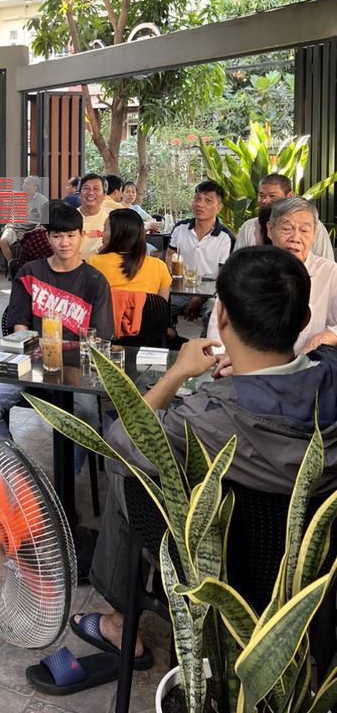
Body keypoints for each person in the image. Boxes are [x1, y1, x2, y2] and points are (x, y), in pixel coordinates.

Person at [52, 247, 337, 686]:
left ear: (220, 316)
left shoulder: (205, 418)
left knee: (128, 472)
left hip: (223, 568)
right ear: (305, 321)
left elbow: (121, 442)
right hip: (313, 569)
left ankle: (119, 622)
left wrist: (178, 373)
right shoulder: (331, 374)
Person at [0, 202, 113, 437]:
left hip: (76, 367)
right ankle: (13, 459)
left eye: (71, 235)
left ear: (82, 235)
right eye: (57, 236)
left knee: (86, 414)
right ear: (48, 238)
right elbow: (19, 325)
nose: (64, 242)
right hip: (30, 362)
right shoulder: (30, 273)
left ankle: (73, 462)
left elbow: (100, 337)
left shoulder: (96, 281)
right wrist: (32, 356)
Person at [207, 197, 337, 355]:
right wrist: (225, 357)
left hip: (308, 367)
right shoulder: (244, 271)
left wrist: (328, 336)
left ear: (314, 235)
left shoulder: (330, 272)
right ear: (270, 229)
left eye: (304, 231)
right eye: (287, 229)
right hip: (246, 366)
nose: (295, 238)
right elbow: (218, 330)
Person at [167, 179, 234, 323]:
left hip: (212, 293)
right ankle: (169, 334)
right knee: (158, 308)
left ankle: (207, 337)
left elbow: (223, 276)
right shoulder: (180, 228)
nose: (200, 204)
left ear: (219, 208)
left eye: (208, 201)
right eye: (197, 199)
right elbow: (170, 256)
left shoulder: (225, 237)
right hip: (181, 288)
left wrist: (200, 297)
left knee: (213, 314)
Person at [236, 173, 334, 261]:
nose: (265, 201)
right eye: (261, 196)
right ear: (270, 228)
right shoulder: (249, 227)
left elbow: (325, 263)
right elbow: (237, 264)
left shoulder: (312, 226)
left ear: (290, 195)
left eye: (272, 196)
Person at [87, 209, 171, 300]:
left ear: (117, 234)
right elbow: (162, 306)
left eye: (105, 229)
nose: (102, 234)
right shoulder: (159, 267)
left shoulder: (94, 264)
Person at [0, 175, 49, 263]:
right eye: (24, 183)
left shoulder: (43, 200)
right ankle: (12, 265)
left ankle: (30, 265)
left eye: (27, 183)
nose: (24, 185)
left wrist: (36, 227)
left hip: (33, 229)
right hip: (15, 228)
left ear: (35, 187)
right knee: (3, 241)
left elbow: (43, 221)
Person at [77, 172, 109, 258]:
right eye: (86, 188)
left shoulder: (111, 220)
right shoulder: (69, 218)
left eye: (96, 189)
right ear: (79, 194)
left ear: (105, 195)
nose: (91, 192)